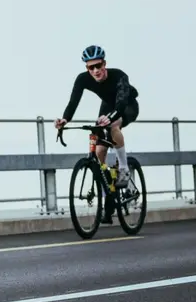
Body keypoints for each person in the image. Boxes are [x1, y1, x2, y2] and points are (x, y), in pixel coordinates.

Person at [55, 44, 139, 208]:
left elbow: (121, 104)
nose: (95, 71)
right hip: (108, 105)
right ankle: (105, 195)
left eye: (98, 66)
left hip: (128, 105)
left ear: (104, 64)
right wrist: (65, 119)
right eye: (90, 68)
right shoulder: (82, 79)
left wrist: (111, 118)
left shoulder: (119, 76)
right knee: (99, 151)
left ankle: (123, 168)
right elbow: (73, 102)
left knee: (113, 125)